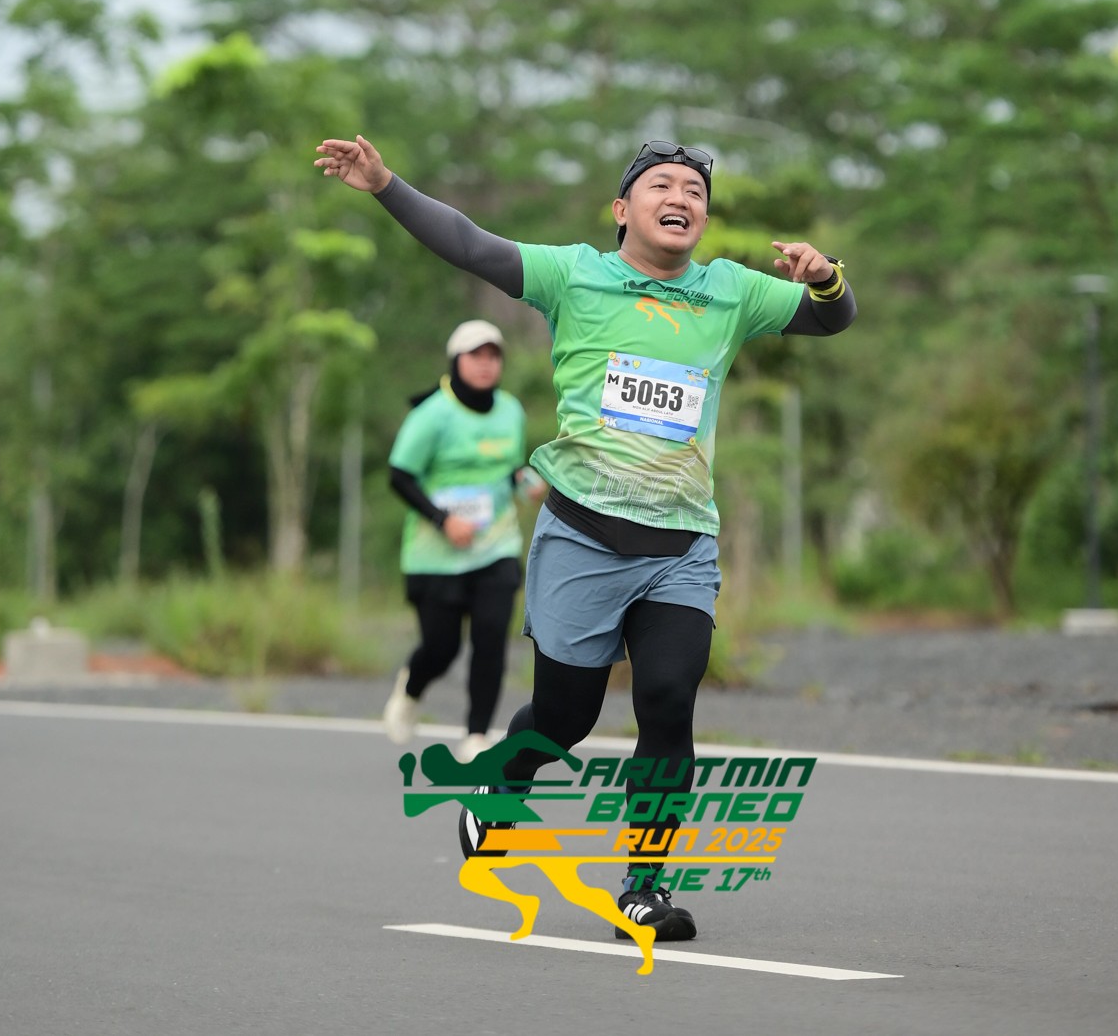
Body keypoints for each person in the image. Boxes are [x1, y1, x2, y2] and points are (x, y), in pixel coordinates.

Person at [315, 132, 856, 944]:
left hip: (681, 545)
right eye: (662, 185)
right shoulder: (574, 275)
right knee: (565, 718)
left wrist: (825, 278)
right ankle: (502, 782)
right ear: (621, 209)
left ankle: (644, 887)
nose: (681, 199)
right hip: (582, 540)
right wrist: (387, 183)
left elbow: (833, 319)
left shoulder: (731, 291)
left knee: (668, 702)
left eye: (695, 193)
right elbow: (469, 243)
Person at [381, 318, 544, 762]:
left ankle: (476, 736)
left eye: (494, 356)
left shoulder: (510, 410)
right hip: (436, 555)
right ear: (456, 361)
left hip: (496, 546)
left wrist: (526, 482)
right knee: (442, 647)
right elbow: (399, 475)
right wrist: (442, 520)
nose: (486, 364)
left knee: (491, 639)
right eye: (476, 355)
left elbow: (509, 469)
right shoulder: (432, 414)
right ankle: (411, 688)